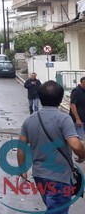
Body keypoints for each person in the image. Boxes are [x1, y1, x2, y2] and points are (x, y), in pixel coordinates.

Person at [18, 81, 85, 213]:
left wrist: (22, 169)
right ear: (60, 99)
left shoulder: (29, 120)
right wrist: (82, 154)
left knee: (52, 207)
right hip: (59, 177)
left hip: (39, 176)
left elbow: (21, 147)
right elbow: (76, 145)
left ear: (40, 98)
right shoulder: (64, 119)